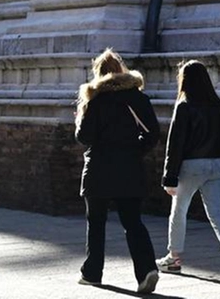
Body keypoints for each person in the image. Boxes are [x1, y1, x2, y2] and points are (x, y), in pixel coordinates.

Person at [74, 48, 161, 293]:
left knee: (96, 222)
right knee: (133, 221)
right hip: (129, 167)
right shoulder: (138, 98)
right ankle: (146, 270)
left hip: (99, 168)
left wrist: (80, 117)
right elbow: (153, 133)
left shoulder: (95, 99)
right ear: (121, 70)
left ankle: (92, 273)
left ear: (98, 73)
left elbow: (85, 137)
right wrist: (135, 151)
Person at [158, 60, 220, 281]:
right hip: (218, 164)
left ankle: (174, 258)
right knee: (218, 212)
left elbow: (176, 143)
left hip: (192, 164)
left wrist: (169, 177)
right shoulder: (218, 106)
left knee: (179, 210)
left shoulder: (184, 106)